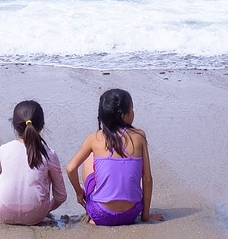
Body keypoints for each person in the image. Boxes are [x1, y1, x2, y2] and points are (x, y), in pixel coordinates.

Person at [65, 88, 163, 225]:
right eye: (132, 108)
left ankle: (92, 212)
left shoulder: (94, 138)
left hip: (100, 214)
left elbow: (70, 169)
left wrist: (78, 193)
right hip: (131, 213)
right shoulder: (139, 136)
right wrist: (145, 216)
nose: (133, 112)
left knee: (89, 158)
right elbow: (147, 179)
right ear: (123, 115)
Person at [0, 99, 68, 225]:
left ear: (14, 125)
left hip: (4, 212)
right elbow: (60, 196)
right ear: (42, 125)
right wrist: (46, 209)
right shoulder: (49, 153)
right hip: (37, 215)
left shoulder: (3, 150)